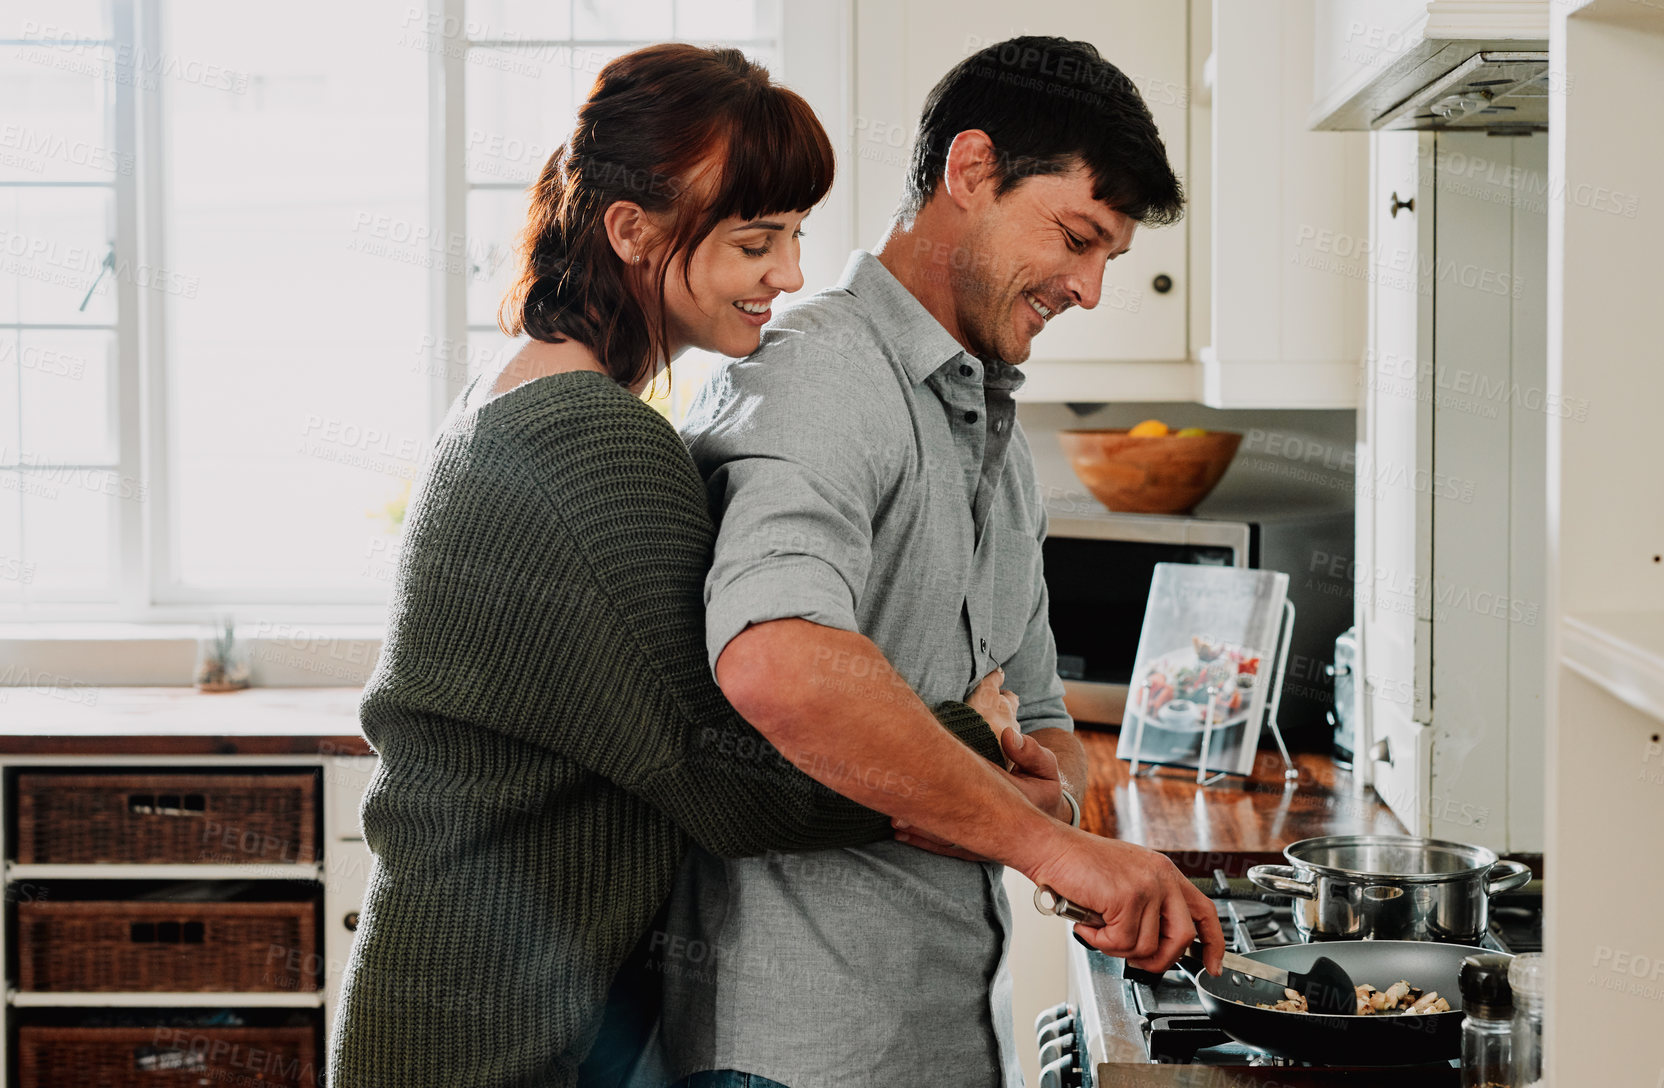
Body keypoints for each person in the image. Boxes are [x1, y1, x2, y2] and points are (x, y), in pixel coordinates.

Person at [325, 44, 1035, 1088]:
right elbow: (728, 780)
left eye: (794, 234)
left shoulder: (523, 390)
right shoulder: (594, 442)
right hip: (489, 1043)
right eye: (756, 240)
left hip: (462, 1010)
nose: (789, 275)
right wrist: (975, 732)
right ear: (631, 231)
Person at [652, 35, 1221, 1088]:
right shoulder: (819, 376)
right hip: (794, 1056)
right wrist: (1047, 843)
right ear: (970, 171)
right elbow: (776, 659)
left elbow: (1046, 719)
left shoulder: (990, 432)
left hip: (943, 1037)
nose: (1090, 289)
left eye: (1110, 259)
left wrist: (1038, 799)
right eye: (1076, 237)